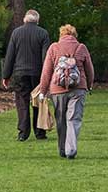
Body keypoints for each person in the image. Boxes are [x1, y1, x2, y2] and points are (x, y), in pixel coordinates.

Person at [38, 24, 95, 159]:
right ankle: (71, 149)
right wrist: (89, 84)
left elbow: (46, 71)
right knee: (74, 119)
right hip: (78, 88)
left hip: (57, 90)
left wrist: (42, 90)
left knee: (61, 120)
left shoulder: (54, 48)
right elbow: (89, 69)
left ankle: (63, 149)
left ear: (61, 35)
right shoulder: (81, 48)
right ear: (74, 35)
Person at [1, 9, 51, 142]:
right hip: (37, 73)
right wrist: (47, 76)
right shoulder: (43, 33)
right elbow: (45, 57)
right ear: (37, 20)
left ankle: (23, 132)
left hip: (20, 73)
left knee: (22, 102)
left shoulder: (16, 33)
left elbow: (10, 55)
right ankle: (40, 132)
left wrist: (6, 75)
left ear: (24, 19)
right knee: (38, 102)